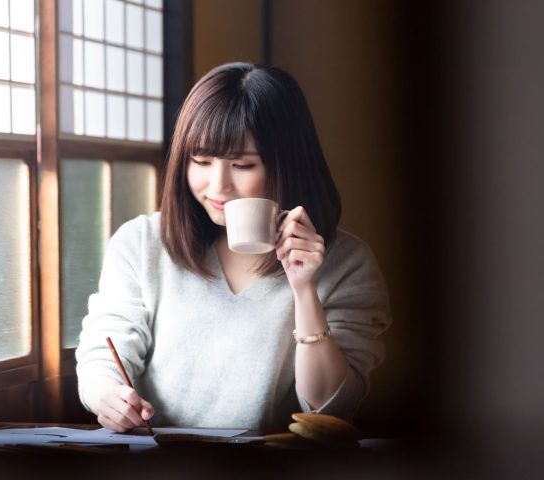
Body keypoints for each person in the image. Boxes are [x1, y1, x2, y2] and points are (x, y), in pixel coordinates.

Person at [75, 62, 391, 433]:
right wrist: (106, 396)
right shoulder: (141, 242)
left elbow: (329, 407)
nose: (218, 185)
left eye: (242, 165)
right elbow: (104, 350)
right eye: (201, 161)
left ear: (286, 164)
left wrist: (304, 288)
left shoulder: (347, 262)